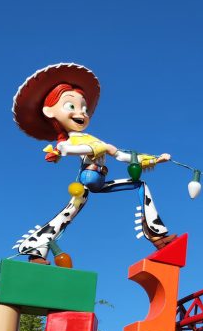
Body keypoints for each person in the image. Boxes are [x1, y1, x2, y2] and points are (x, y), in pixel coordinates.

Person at [12, 62, 178, 263]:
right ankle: (35, 249)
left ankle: (157, 235)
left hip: (99, 180)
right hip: (86, 178)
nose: (81, 113)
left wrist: (155, 159)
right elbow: (66, 150)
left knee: (139, 185)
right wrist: (99, 148)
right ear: (49, 111)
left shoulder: (94, 140)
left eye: (84, 108)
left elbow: (124, 157)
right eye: (71, 106)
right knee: (68, 213)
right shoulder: (72, 140)